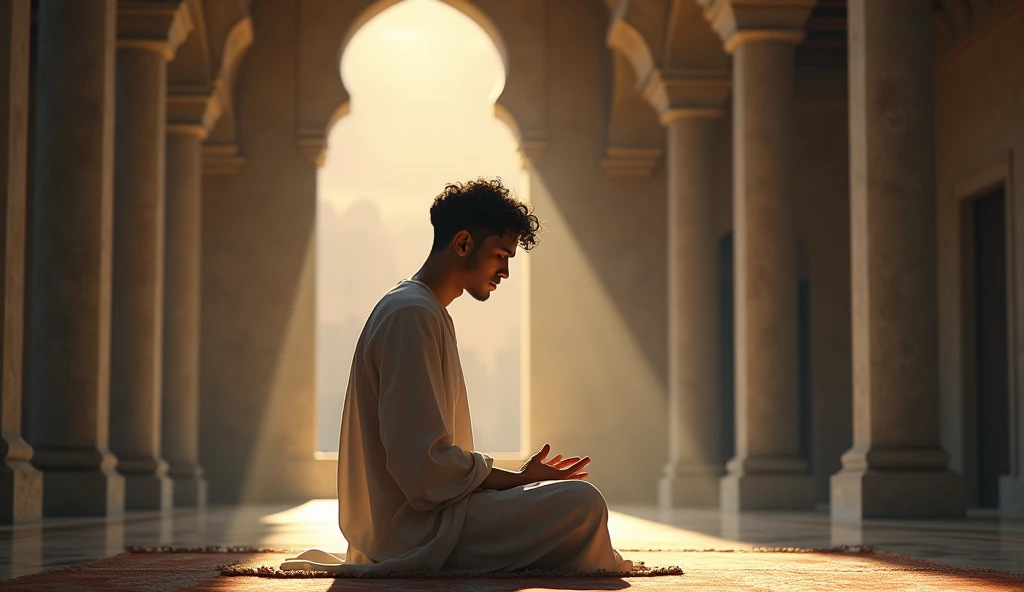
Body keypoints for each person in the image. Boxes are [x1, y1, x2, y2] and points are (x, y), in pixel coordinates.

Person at [281, 179, 631, 574]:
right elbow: (424, 469)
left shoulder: (424, 311)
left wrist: (518, 481)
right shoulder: (411, 315)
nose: (506, 272)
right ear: (463, 243)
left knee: (576, 501)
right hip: (417, 531)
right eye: (501, 255)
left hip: (436, 517)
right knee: (582, 502)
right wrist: (517, 480)